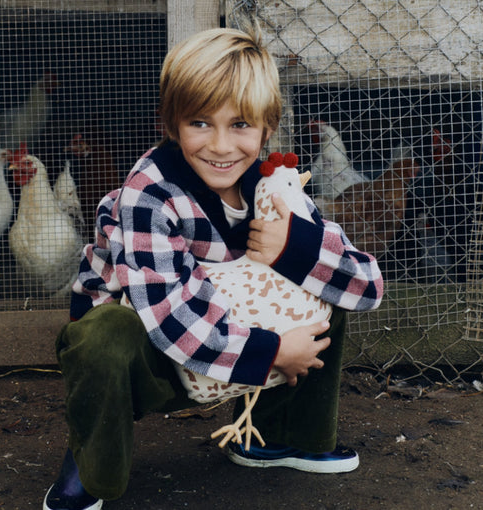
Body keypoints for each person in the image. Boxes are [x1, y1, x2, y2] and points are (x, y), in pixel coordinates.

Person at [43, 27, 383, 510]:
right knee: (102, 333)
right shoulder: (150, 193)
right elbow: (170, 317)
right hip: (146, 354)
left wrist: (296, 250)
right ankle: (90, 460)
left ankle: (275, 435)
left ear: (267, 128)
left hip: (228, 336)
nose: (221, 146)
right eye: (201, 122)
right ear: (171, 123)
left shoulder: (272, 186)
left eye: (240, 124)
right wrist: (272, 353)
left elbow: (367, 286)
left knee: (325, 282)